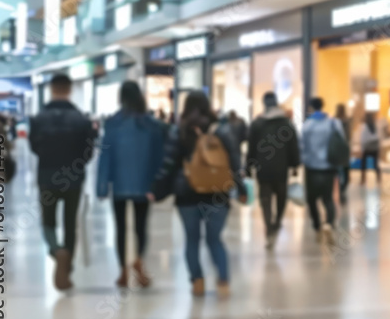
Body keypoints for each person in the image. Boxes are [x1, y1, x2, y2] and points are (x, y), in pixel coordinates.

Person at [150, 92, 246, 297]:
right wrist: (241, 188)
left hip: (187, 194)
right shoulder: (222, 131)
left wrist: (157, 187)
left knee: (192, 240)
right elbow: (235, 163)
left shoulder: (180, 131)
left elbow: (168, 163)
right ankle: (223, 282)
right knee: (215, 239)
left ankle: (197, 282)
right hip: (217, 192)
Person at [29, 74, 98, 291]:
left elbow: (34, 147)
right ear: (69, 90)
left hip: (47, 177)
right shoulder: (82, 120)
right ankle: (67, 272)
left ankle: (56, 250)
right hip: (74, 179)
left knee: (48, 221)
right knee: (70, 224)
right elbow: (88, 152)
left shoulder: (39, 119)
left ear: (51, 89)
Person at [95, 81, 165, 288]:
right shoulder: (151, 125)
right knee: (141, 227)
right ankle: (138, 260)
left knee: (120, 228)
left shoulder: (113, 124)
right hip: (145, 183)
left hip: (118, 184)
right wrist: (157, 184)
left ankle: (122, 271)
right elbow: (158, 157)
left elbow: (105, 154)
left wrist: (101, 185)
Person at [246, 92, 300, 250]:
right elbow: (293, 146)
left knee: (265, 199)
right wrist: (295, 165)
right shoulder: (286, 123)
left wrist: (248, 167)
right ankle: (276, 223)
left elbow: (251, 148)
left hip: (263, 169)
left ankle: (269, 228)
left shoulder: (257, 124)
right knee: (282, 198)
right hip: (281, 169)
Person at [301, 98, 345, 244]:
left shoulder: (307, 125)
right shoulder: (334, 123)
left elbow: (302, 147)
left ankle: (317, 226)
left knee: (312, 199)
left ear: (311, 108)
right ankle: (329, 224)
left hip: (312, 168)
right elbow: (342, 141)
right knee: (328, 198)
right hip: (329, 167)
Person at [334, 104, 352, 203]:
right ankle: (342, 190)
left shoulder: (334, 121)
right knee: (345, 170)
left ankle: (340, 189)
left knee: (338, 171)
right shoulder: (346, 121)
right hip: (344, 149)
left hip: (337, 148)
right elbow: (348, 136)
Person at [359, 112, 382, 185]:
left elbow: (363, 139)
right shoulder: (375, 126)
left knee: (363, 164)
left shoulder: (364, 126)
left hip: (366, 148)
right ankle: (379, 179)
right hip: (375, 147)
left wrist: (362, 149)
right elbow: (379, 137)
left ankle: (363, 179)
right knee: (375, 164)